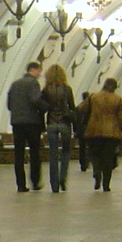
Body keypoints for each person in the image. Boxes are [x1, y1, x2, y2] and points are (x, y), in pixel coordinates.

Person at [83, 76, 122, 192]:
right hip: (111, 132)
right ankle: (106, 184)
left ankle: (97, 173)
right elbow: (121, 118)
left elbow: (82, 109)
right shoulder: (117, 99)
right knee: (108, 158)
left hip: (94, 131)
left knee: (95, 155)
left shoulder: (93, 96)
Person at [6, 61, 44, 192]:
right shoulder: (33, 83)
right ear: (33, 70)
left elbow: (9, 104)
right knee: (34, 153)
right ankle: (35, 182)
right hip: (32, 123)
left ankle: (20, 184)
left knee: (19, 154)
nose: (40, 74)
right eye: (39, 71)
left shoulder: (15, 84)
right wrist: (45, 107)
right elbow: (35, 100)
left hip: (17, 123)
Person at [39, 63, 76, 193]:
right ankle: (63, 178)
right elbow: (72, 106)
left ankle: (54, 184)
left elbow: (42, 108)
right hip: (65, 123)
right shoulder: (67, 89)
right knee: (66, 152)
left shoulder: (46, 90)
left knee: (53, 154)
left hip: (51, 123)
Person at [74, 90, 92, 173]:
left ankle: (82, 163)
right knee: (90, 146)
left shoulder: (78, 107)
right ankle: (87, 160)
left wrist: (75, 130)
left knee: (82, 147)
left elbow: (75, 120)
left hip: (80, 130)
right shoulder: (91, 108)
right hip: (89, 129)